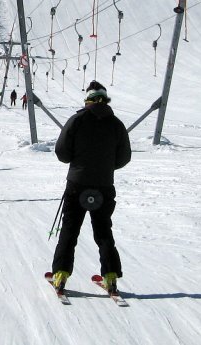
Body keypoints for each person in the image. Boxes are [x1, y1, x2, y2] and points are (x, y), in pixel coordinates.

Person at [50, 81, 131, 296]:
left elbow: (61, 152)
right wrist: (105, 166)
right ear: (105, 99)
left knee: (69, 230)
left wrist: (79, 162)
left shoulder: (77, 120)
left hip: (77, 184)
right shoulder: (117, 124)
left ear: (88, 99)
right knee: (104, 232)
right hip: (104, 186)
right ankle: (111, 277)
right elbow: (124, 157)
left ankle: (60, 275)